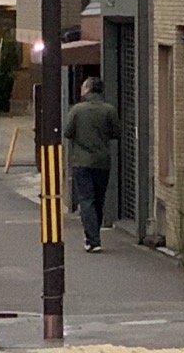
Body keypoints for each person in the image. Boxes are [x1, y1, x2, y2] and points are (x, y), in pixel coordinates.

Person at [64, 77, 120, 253]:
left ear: (87, 89)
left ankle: (93, 239)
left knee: (86, 200)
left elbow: (67, 132)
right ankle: (94, 236)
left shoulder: (77, 110)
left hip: (81, 161)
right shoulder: (109, 110)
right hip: (102, 161)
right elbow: (116, 132)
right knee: (98, 199)